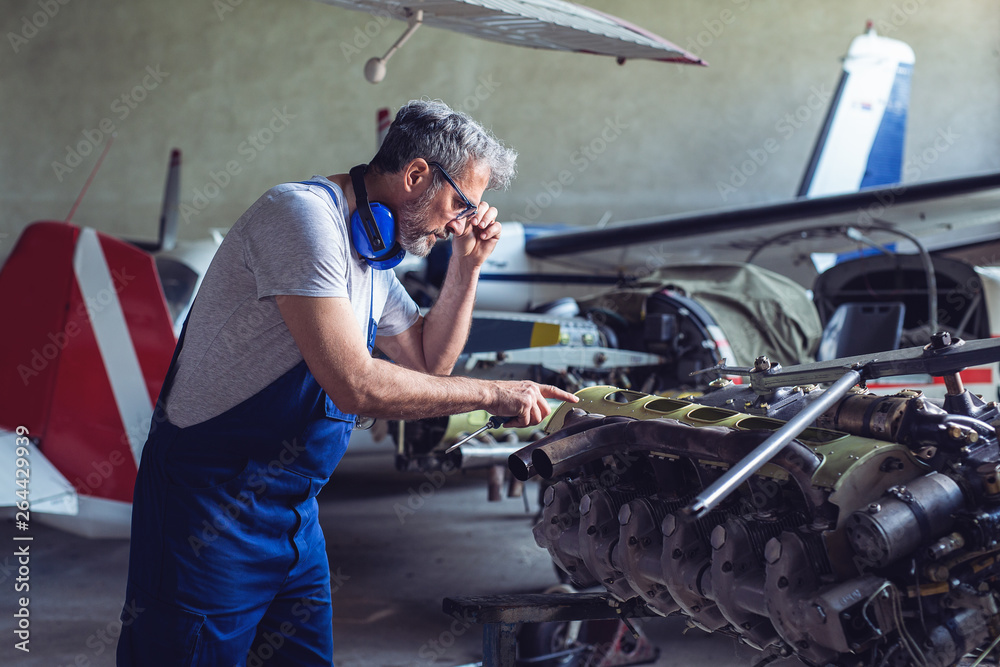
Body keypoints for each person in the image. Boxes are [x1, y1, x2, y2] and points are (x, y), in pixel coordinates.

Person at [116, 99, 577, 665]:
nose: (462, 220)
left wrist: (468, 263)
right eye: (462, 204)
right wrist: (496, 392)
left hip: (294, 516)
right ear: (416, 175)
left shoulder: (373, 258)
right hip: (209, 510)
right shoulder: (302, 219)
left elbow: (428, 364)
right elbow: (353, 385)